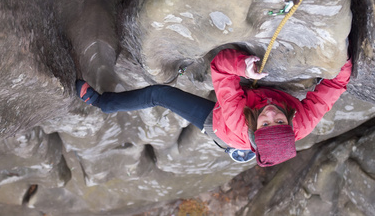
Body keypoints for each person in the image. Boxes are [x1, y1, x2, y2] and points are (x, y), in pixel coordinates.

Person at [76, 48, 352, 167]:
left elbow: (220, 67)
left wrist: (242, 67)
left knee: (159, 94)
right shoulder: (302, 122)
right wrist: (344, 60)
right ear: (291, 126)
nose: (271, 115)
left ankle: (103, 103)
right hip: (247, 115)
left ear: (255, 128)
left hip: (219, 126)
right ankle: (245, 151)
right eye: (280, 121)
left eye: (265, 124)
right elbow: (334, 88)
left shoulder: (234, 119)